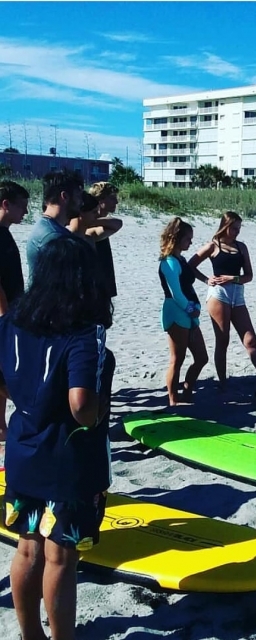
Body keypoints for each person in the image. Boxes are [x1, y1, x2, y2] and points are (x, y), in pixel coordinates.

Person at [0, 235, 115, 640]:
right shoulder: (84, 333)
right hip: (67, 458)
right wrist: (104, 407)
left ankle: (30, 634)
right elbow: (81, 406)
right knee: (61, 557)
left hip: (23, 449)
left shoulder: (11, 321)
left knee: (27, 548)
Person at [188, 211, 256, 390]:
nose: (237, 232)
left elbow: (249, 276)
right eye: (234, 228)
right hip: (219, 294)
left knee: (250, 340)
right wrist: (206, 280)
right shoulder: (213, 246)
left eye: (239, 229)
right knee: (223, 339)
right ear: (225, 227)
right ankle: (223, 382)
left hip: (237, 294)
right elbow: (190, 266)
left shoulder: (241, 247)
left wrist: (232, 278)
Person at [158, 217, 208, 405]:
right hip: (176, 312)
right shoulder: (169, 262)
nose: (191, 242)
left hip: (189, 314)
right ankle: (173, 399)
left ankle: (187, 391)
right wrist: (189, 308)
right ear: (177, 238)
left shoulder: (180, 259)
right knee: (177, 359)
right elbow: (175, 291)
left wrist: (194, 309)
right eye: (188, 239)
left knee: (201, 357)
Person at [0, 180, 30, 442]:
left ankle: (1, 428)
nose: (26, 212)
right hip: (4, 315)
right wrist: (4, 314)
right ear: (5, 204)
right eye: (22, 206)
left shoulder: (5, 232)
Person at [26, 169, 84, 275]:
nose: (81, 202)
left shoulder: (46, 227)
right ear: (64, 196)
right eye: (78, 196)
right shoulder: (54, 236)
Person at [88, 182, 122, 300]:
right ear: (100, 200)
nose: (116, 202)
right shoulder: (89, 228)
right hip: (94, 288)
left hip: (103, 286)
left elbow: (117, 223)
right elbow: (116, 225)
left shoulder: (94, 223)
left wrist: (91, 221)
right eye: (112, 198)